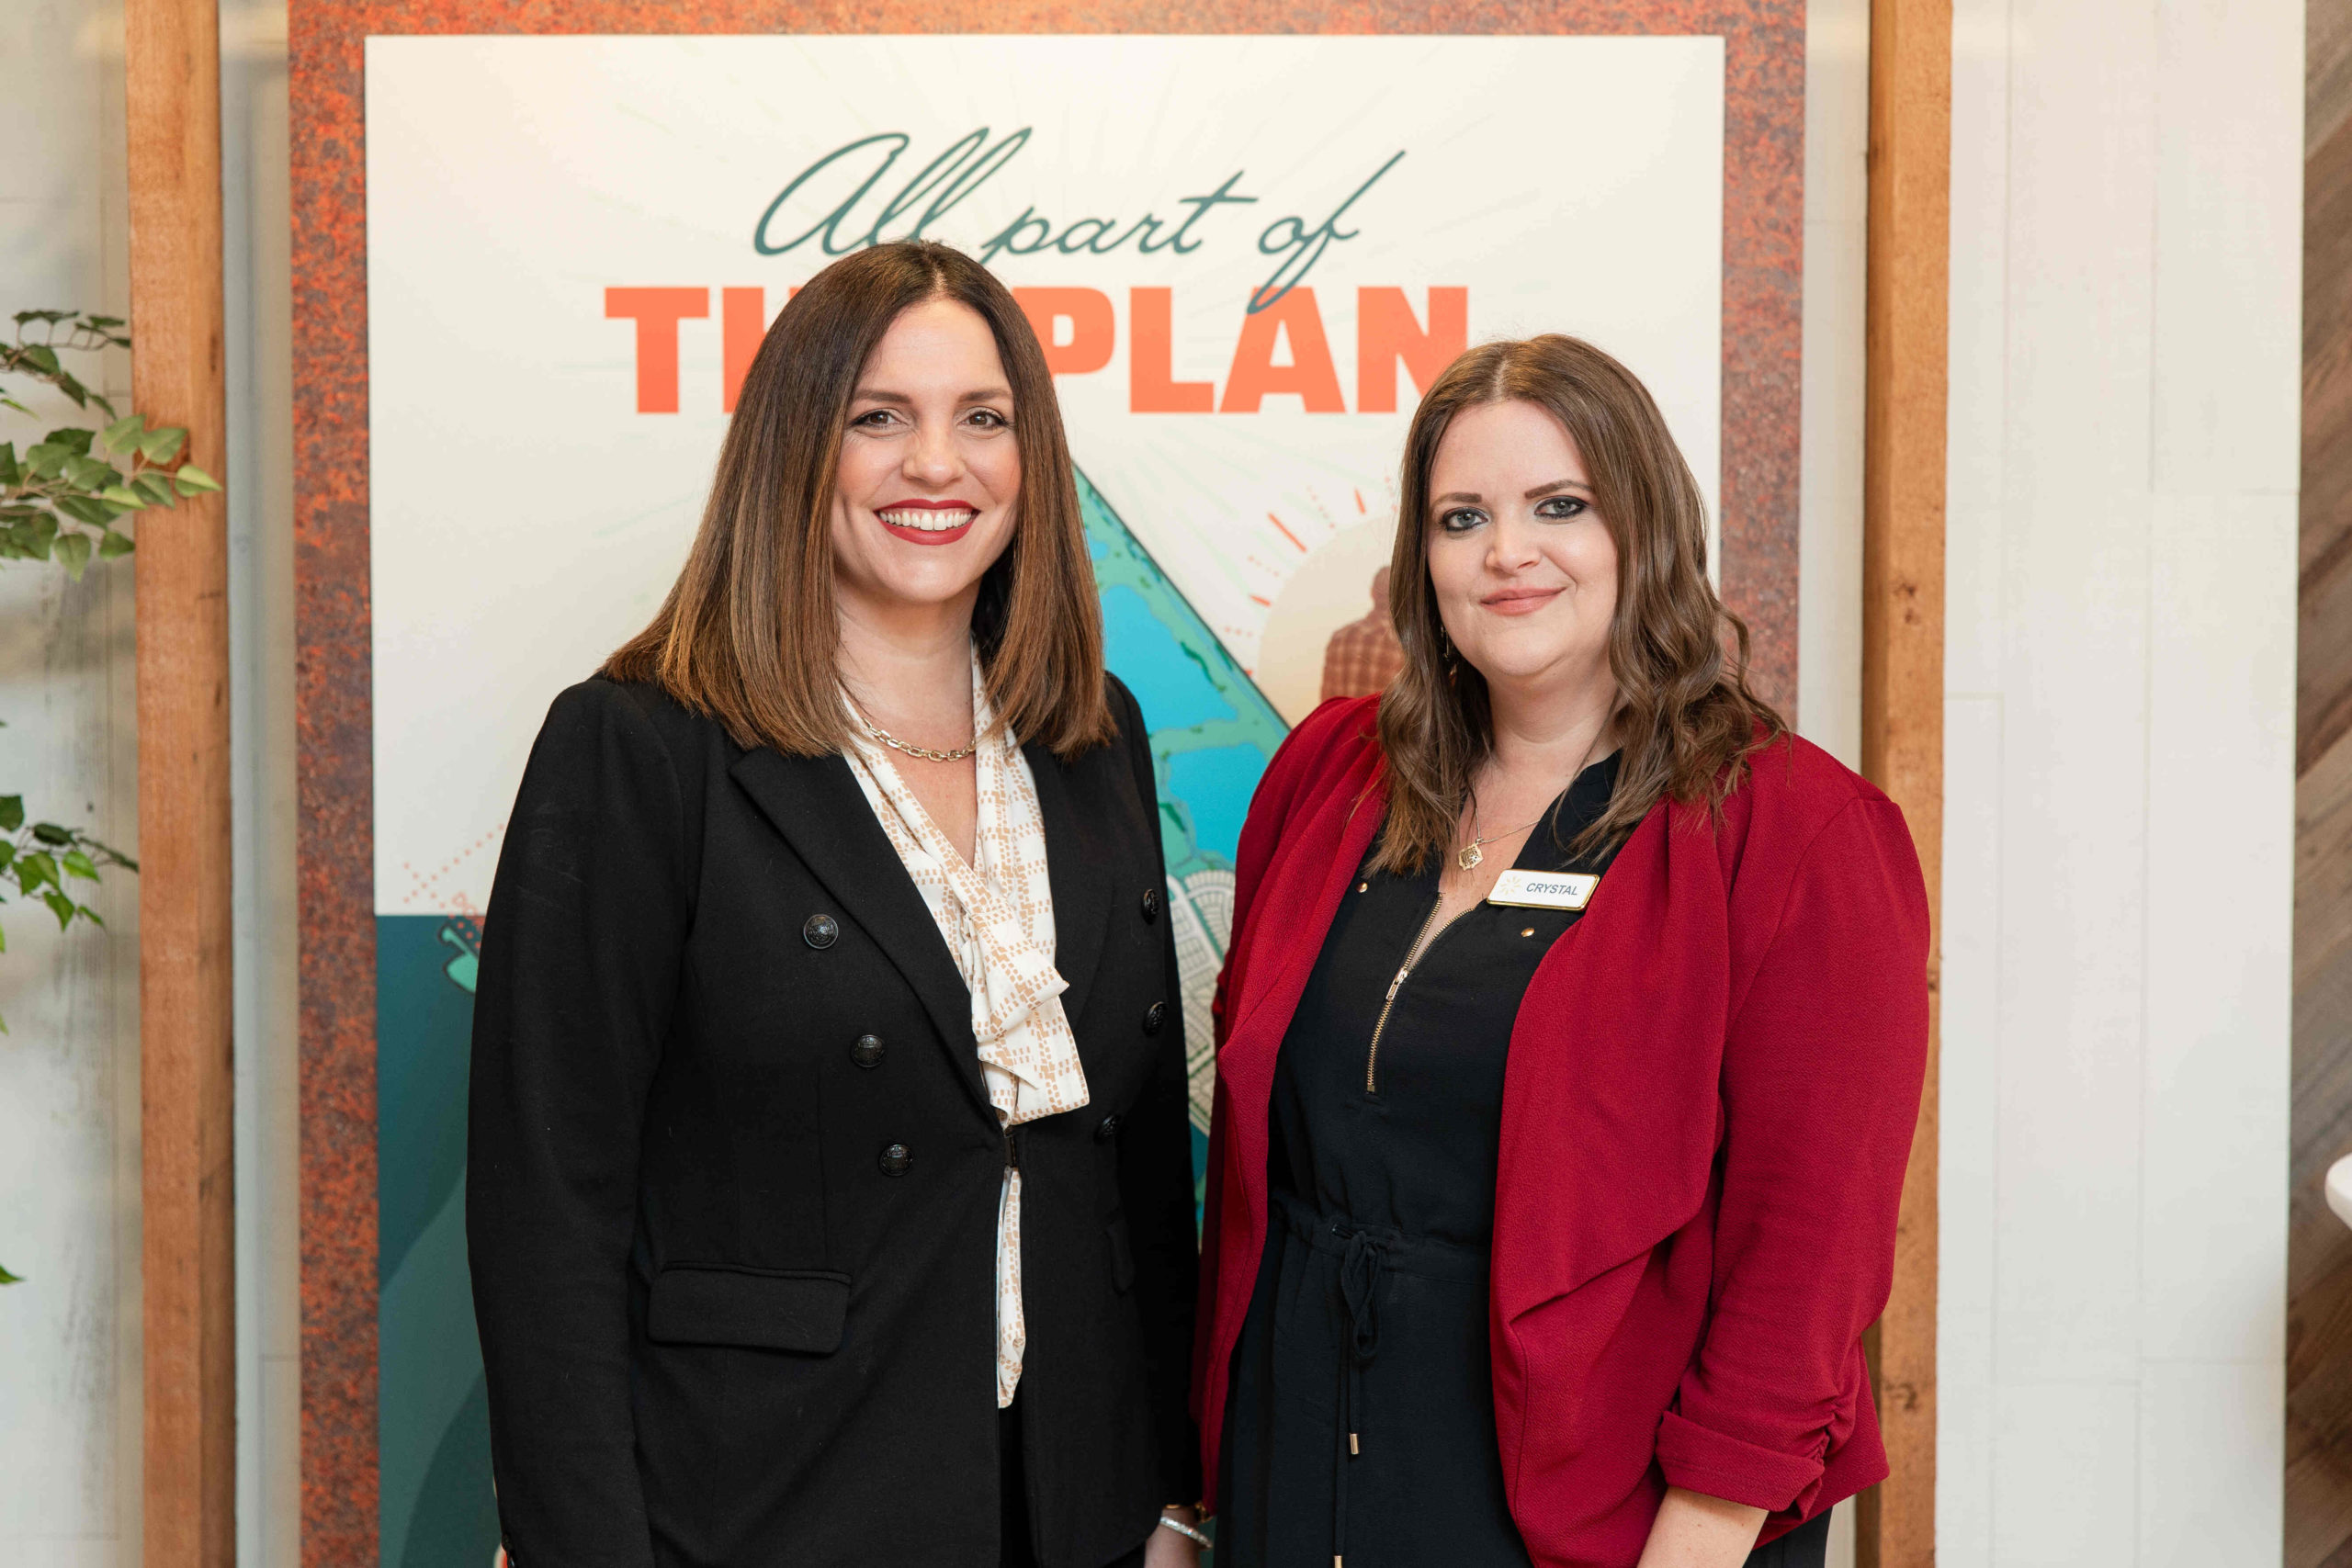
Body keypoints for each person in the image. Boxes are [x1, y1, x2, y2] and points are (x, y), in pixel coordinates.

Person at [468, 241, 1204, 1568]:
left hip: (1071, 1508)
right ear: (795, 450)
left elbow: (1133, 1165)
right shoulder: (639, 748)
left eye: (984, 419)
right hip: (764, 1503)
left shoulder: (1096, 742)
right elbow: (549, 1207)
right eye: (880, 418)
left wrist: (1163, 1493)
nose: (940, 464)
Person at [1194, 336, 1929, 1568]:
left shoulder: (1794, 833)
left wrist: (1695, 1547)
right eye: (1462, 516)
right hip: (1299, 1467)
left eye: (1560, 506)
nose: (1507, 553)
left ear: (1643, 528)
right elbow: (1249, 1188)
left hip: (1599, 1512)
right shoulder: (1328, 775)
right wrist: (1197, 1492)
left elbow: (1805, 1257)